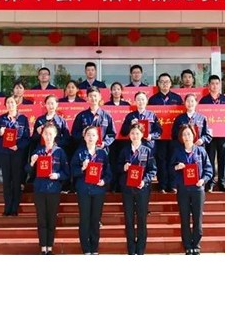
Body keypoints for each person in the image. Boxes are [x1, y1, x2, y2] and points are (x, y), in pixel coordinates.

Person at [27, 122, 70, 255]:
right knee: (41, 219)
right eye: (46, 133)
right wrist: (32, 163)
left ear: (55, 135)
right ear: (42, 135)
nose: (48, 136)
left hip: (53, 190)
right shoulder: (38, 151)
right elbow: (27, 171)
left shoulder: (60, 152)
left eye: (50, 134)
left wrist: (57, 175)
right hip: (39, 189)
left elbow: (66, 173)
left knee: (51, 219)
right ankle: (43, 246)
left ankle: (50, 246)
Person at [170, 124, 213, 255]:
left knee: (197, 218)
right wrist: (176, 167)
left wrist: (203, 180)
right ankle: (187, 245)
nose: (187, 137)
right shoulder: (177, 152)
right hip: (183, 189)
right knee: (184, 218)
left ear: (194, 135)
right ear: (181, 137)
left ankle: (196, 244)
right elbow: (170, 169)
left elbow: (209, 169)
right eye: (184, 134)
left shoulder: (201, 151)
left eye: (189, 134)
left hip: (197, 189)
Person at [70, 126, 112, 254]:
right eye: (88, 135)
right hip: (84, 190)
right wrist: (82, 168)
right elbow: (72, 171)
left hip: (98, 191)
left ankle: (94, 248)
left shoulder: (102, 153)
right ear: (84, 137)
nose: (90, 137)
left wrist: (104, 181)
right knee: (84, 219)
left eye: (93, 135)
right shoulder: (79, 153)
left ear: (98, 137)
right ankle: (86, 249)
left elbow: (108, 173)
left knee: (95, 219)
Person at [117, 123, 157, 255]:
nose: (135, 136)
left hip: (142, 189)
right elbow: (117, 167)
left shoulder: (147, 150)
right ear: (129, 135)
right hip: (127, 189)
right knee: (129, 219)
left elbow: (152, 170)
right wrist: (123, 167)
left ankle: (140, 249)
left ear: (142, 135)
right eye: (132, 133)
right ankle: (131, 248)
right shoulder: (124, 150)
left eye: (137, 133)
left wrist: (144, 181)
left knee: (141, 219)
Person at [0, 95, 30, 216]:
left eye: (12, 102)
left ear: (17, 104)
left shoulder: (23, 119)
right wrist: (0, 133)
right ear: (5, 105)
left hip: (17, 153)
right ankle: (7, 207)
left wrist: (18, 146)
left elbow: (26, 138)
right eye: (8, 102)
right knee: (6, 180)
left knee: (16, 179)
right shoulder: (1, 118)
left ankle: (15, 208)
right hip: (4, 153)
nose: (10, 105)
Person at [148, 73, 183, 193]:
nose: (164, 84)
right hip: (159, 136)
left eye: (167, 82)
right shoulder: (153, 99)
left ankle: (172, 185)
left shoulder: (177, 98)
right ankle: (162, 185)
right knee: (161, 160)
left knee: (173, 159)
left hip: (174, 135)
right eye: (162, 82)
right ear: (158, 84)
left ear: (171, 83)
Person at [199, 74, 225, 192]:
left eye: (217, 83)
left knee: (223, 158)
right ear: (208, 86)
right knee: (210, 158)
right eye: (212, 83)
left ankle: (222, 182)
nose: (215, 86)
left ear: (220, 85)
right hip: (209, 135)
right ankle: (210, 182)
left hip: (223, 133)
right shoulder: (204, 100)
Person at [71, 87, 116, 151]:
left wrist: (105, 143)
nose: (93, 98)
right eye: (90, 96)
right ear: (87, 98)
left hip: (101, 150)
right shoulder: (81, 116)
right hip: (85, 149)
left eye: (95, 96)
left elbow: (112, 134)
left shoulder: (107, 116)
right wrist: (82, 134)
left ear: (100, 97)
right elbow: (74, 133)